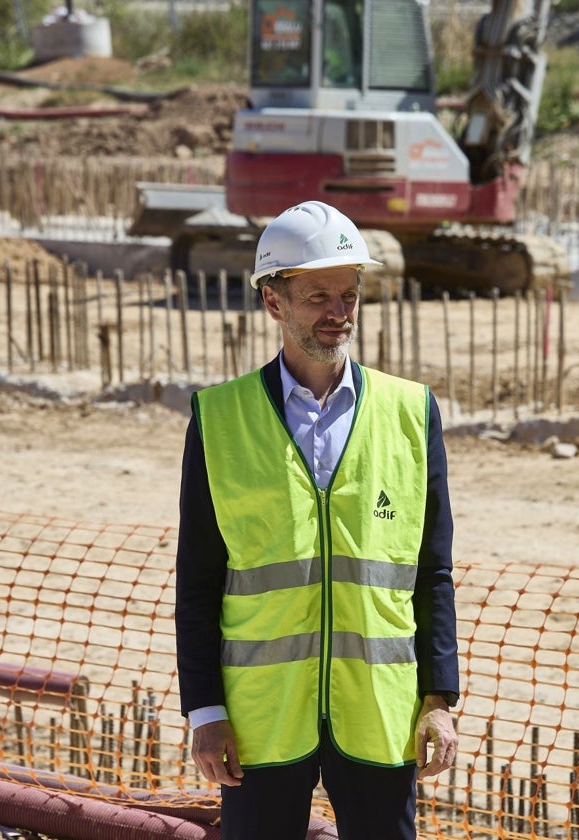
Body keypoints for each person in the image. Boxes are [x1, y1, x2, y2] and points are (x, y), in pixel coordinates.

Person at [175, 200, 460, 840]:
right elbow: (197, 580)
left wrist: (439, 702)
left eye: (349, 295)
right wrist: (205, 711)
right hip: (261, 718)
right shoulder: (220, 419)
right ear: (274, 303)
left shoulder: (411, 413)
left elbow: (431, 572)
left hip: (379, 711)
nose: (338, 313)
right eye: (317, 297)